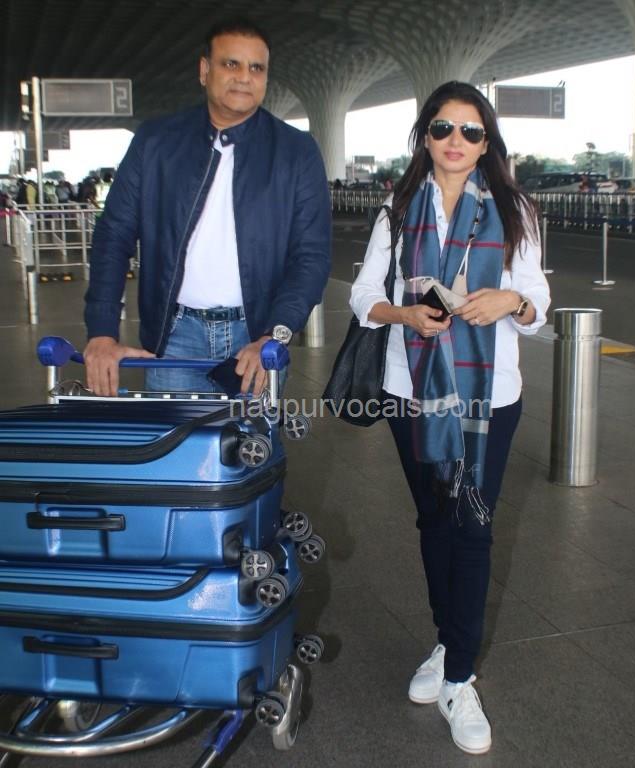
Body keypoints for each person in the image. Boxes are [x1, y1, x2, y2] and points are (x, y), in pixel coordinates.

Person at [350, 81, 550, 755]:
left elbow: (538, 298)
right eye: (443, 128)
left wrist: (508, 303)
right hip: (410, 390)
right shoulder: (397, 208)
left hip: (490, 397)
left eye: (471, 131)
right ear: (424, 137)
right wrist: (405, 314)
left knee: (473, 527)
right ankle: (447, 641)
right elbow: (362, 296)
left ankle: (460, 676)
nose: (456, 141)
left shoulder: (516, 210)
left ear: (487, 143)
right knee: (435, 520)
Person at [83, 16, 331, 397]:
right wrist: (102, 332)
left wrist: (275, 334)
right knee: (175, 437)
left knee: (249, 437)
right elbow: (113, 235)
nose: (244, 77)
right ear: (204, 70)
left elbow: (311, 256)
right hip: (174, 337)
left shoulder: (296, 152)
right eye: (231, 64)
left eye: (256, 68)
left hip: (256, 339)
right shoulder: (155, 143)